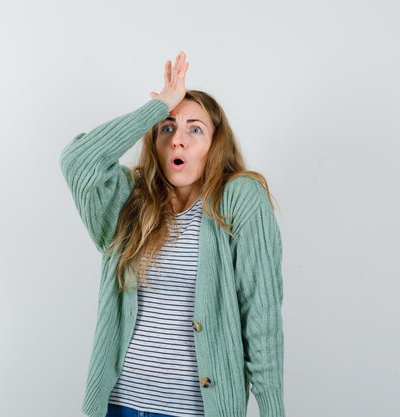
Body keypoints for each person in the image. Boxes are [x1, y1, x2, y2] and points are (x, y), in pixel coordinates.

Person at [60, 51, 285, 417]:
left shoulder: (239, 199)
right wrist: (157, 107)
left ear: (216, 145)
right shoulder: (127, 200)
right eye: (168, 128)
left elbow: (261, 315)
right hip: (120, 406)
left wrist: (273, 410)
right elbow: (78, 163)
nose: (179, 140)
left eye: (195, 129)